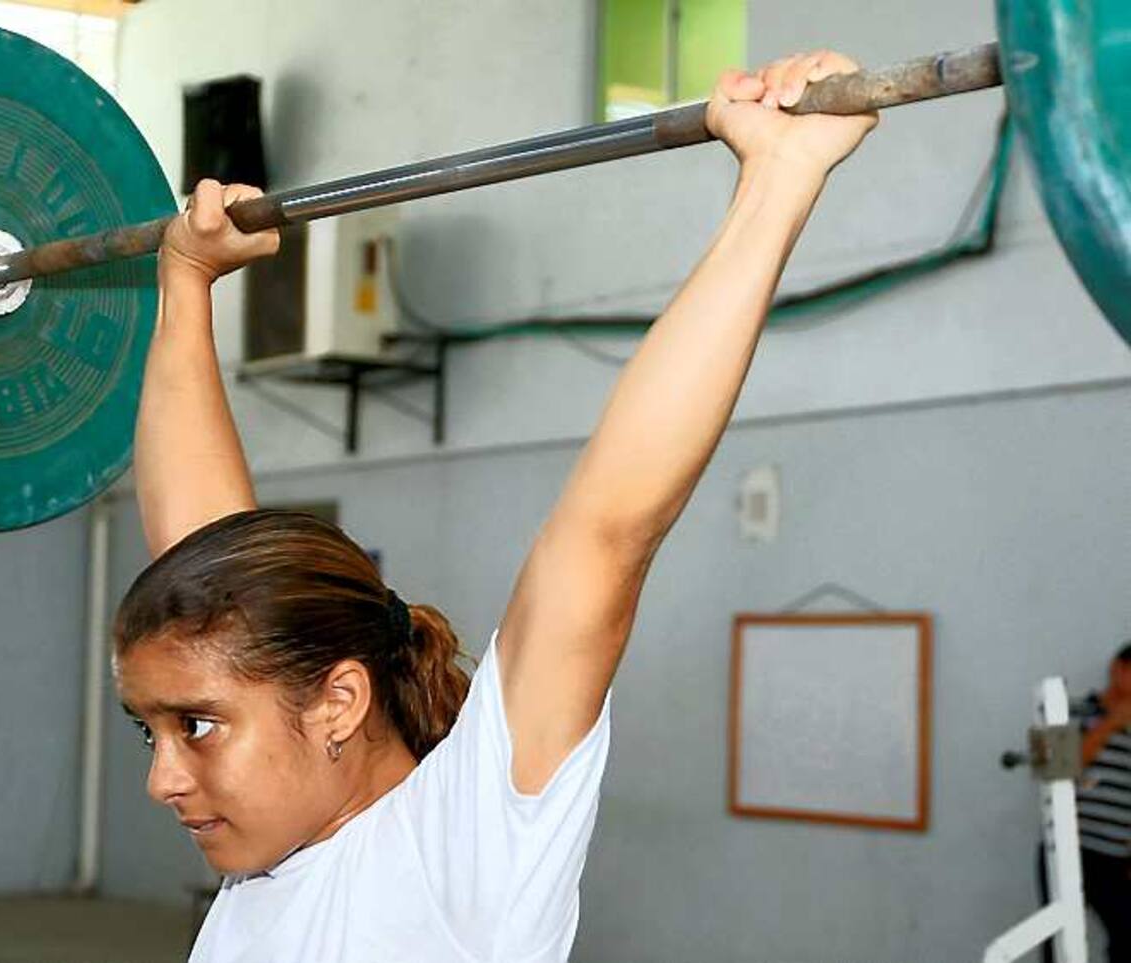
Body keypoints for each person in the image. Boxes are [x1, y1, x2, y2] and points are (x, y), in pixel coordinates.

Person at [114, 52, 876, 963]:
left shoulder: (460, 854)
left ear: (338, 702)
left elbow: (605, 532)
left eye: (195, 725)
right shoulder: (276, 857)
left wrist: (777, 183)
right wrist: (184, 288)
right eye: (152, 728)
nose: (164, 777)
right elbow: (201, 548)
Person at [1038, 642, 1131, 963]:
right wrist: (1110, 725)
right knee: (1057, 939)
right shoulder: (1071, 710)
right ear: (1118, 670)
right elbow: (1054, 770)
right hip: (1071, 848)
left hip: (1118, 856)